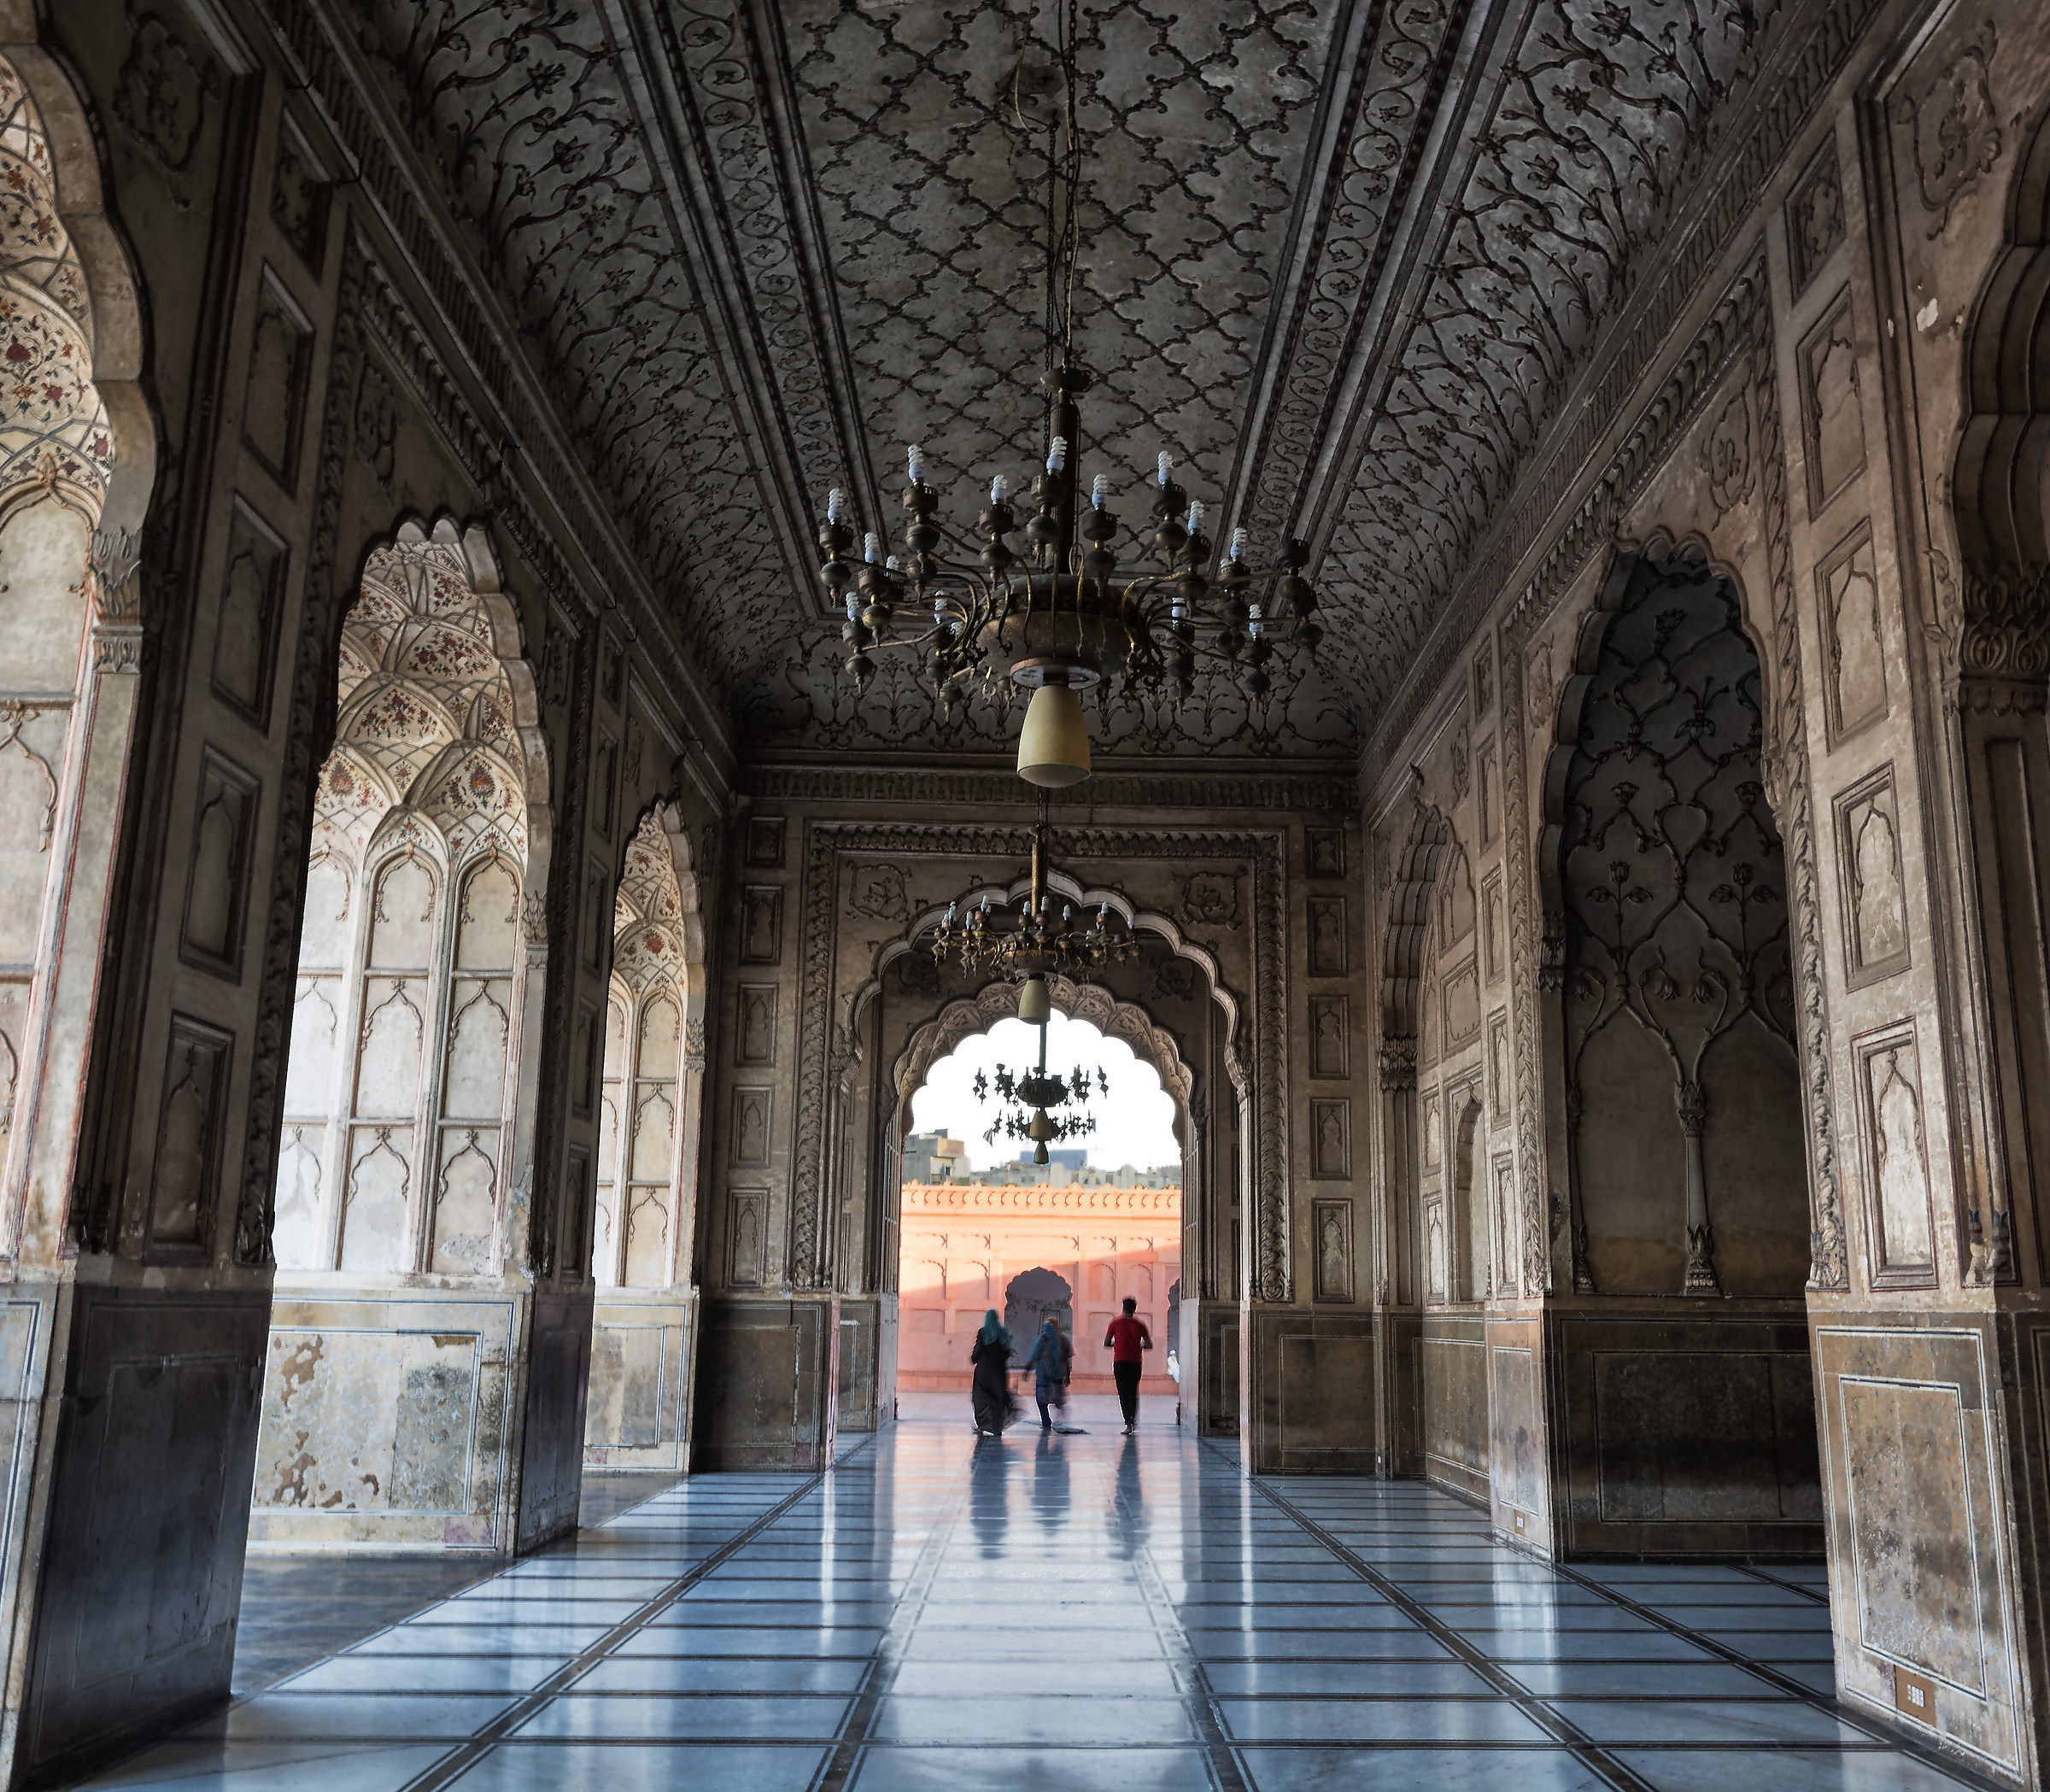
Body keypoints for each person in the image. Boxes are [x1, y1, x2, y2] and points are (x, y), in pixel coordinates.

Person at [1104, 1297, 1152, 1434]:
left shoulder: (1115, 1323)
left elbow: (1107, 1343)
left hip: (1120, 1362)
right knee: (1133, 1392)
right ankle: (1133, 1421)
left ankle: (1128, 1424)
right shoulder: (1140, 1325)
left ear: (1123, 1307)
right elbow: (1149, 1345)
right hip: (1136, 1362)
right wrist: (1139, 1345)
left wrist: (1117, 1344)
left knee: (1123, 1394)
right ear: (1134, 1309)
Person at [969, 1309, 1019, 1436]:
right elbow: (1007, 1353)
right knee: (997, 1401)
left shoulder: (983, 1332)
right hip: (998, 1374)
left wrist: (974, 1357)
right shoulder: (1003, 1333)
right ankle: (997, 1428)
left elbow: (977, 1352)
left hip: (983, 1374)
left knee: (980, 1401)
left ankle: (982, 1426)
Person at [1022, 1315, 1074, 1431]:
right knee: (1058, 1398)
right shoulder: (1063, 1339)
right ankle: (1060, 1416)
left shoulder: (1044, 1338)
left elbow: (1035, 1354)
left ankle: (1046, 1421)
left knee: (1042, 1400)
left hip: (1043, 1374)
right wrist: (1068, 1375)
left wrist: (1027, 1369)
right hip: (1059, 1374)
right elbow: (1068, 1359)